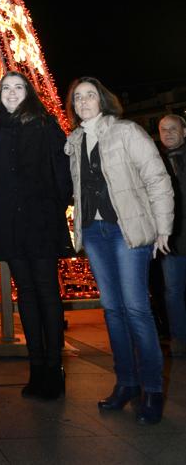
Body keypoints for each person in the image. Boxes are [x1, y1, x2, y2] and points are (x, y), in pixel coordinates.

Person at [65, 77, 174, 425]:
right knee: (112, 310)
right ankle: (126, 383)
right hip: (94, 232)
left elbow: (157, 177)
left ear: (103, 100)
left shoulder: (126, 132)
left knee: (136, 308)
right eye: (77, 98)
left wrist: (163, 227)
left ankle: (153, 390)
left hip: (126, 230)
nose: (83, 102)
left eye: (89, 96)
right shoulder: (75, 140)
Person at [0, 72, 73, 399]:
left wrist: (52, 206)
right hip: (10, 224)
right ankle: (36, 367)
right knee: (25, 292)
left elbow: (62, 172)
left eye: (17, 87)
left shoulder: (44, 124)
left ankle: (54, 366)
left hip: (41, 221)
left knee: (47, 291)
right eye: (5, 88)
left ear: (28, 93)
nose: (10, 93)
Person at [158, 115, 186, 357]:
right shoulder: (156, 161)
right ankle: (179, 339)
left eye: (173, 129)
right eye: (163, 130)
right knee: (173, 291)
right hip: (172, 241)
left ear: (184, 131)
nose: (168, 134)